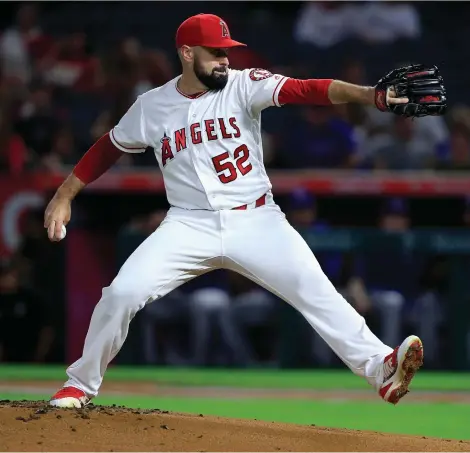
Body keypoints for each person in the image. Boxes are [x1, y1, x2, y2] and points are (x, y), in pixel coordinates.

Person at [44, 13, 423, 408]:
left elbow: (307, 89)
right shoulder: (151, 106)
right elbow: (109, 146)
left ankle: (381, 368)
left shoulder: (244, 84)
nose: (225, 59)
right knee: (121, 293)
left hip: (256, 219)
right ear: (188, 53)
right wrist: (65, 194)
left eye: (227, 51)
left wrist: (370, 96)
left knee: (316, 291)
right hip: (188, 223)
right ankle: (80, 385)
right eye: (216, 52)